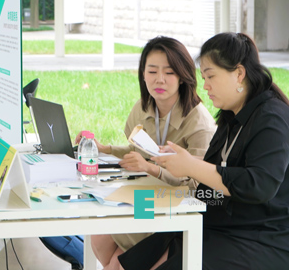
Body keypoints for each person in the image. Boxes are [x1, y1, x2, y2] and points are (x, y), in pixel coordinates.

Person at [119, 32, 289, 270]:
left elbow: (258, 185)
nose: (205, 86)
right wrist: (183, 164)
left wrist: (190, 166)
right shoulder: (231, 114)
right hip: (215, 221)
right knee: (131, 260)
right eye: (203, 77)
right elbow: (218, 170)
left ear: (239, 73)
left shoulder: (271, 117)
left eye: (210, 76)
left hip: (258, 236)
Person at [82, 36, 215, 270]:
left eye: (169, 72)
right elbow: (138, 152)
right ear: (143, 74)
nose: (159, 79)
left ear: (183, 76)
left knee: (118, 263)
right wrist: (106, 150)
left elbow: (199, 185)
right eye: (152, 71)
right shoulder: (143, 107)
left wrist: (152, 169)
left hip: (176, 207)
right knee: (100, 237)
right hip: (147, 197)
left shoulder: (199, 122)